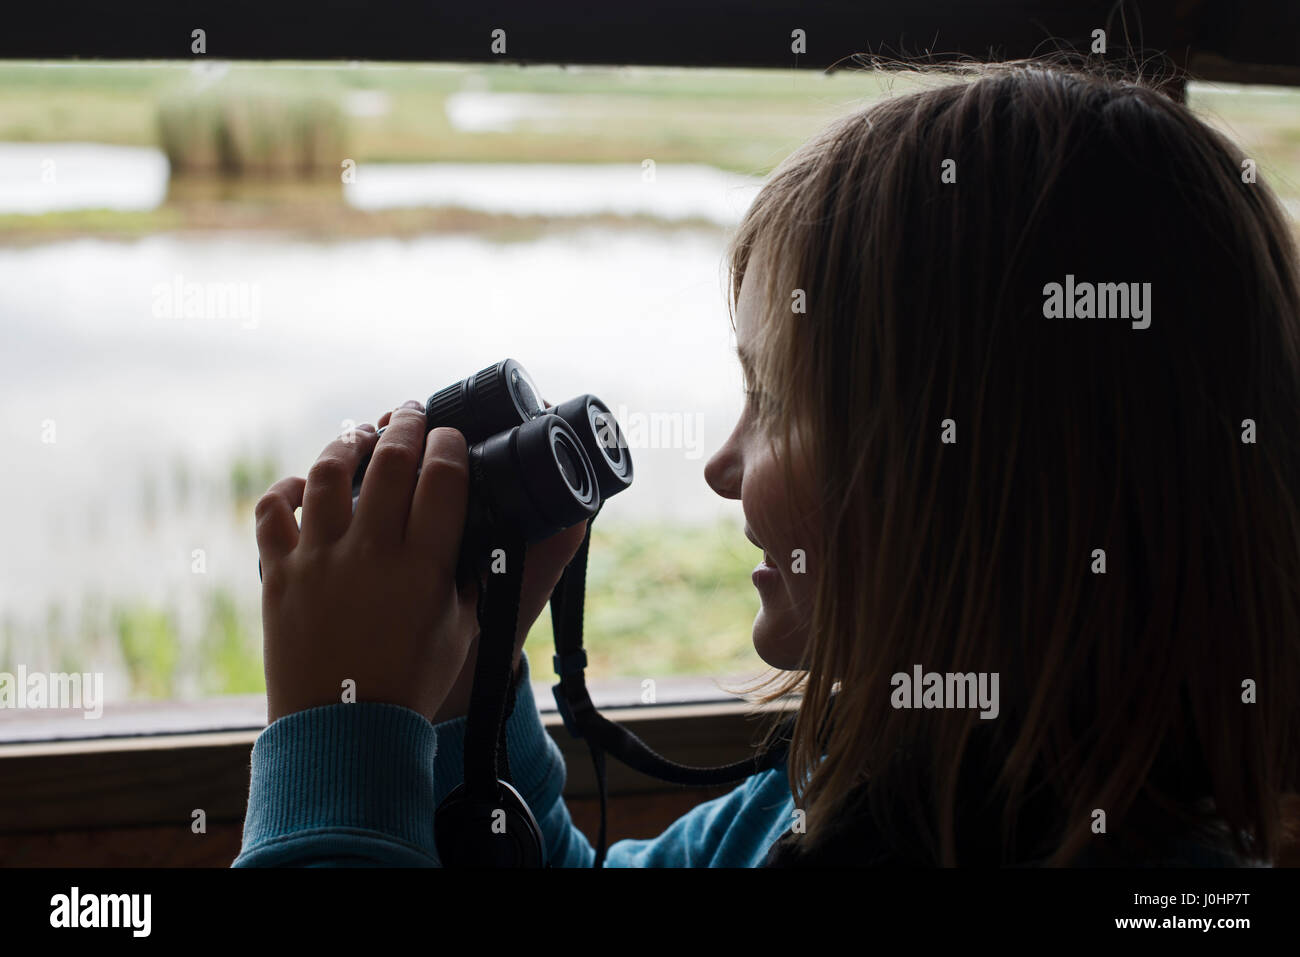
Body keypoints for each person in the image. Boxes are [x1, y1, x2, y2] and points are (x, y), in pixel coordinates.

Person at [234, 62, 1300, 867]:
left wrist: (338, 744)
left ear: (964, 486)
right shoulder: (828, 802)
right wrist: (469, 696)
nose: (721, 466)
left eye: (774, 400)